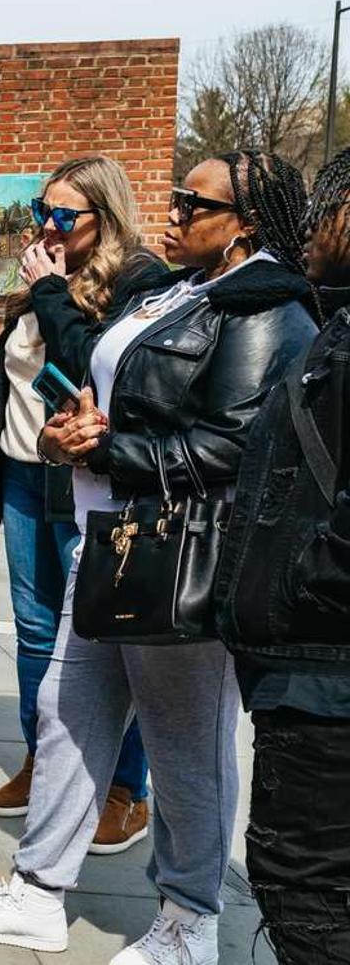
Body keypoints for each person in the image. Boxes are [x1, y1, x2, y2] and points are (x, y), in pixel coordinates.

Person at [0, 150, 317, 964]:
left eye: (192, 201)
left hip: (179, 554)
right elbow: (121, 387)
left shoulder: (266, 305)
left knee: (186, 741)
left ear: (245, 219)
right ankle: (37, 891)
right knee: (69, 712)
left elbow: (233, 442)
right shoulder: (185, 288)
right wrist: (91, 430)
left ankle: (189, 918)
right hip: (116, 536)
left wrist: (110, 448)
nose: (172, 212)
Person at [0, 157, 164, 846]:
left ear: (104, 218)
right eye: (41, 210)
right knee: (34, 629)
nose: (46, 226)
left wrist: (52, 290)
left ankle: (123, 787)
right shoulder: (35, 281)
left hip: (87, 482)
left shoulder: (135, 283)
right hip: (27, 471)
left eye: (63, 216)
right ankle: (43, 761)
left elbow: (90, 365)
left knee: (107, 634)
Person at [217, 144, 350, 964]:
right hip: (309, 664)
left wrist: (296, 588)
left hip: (324, 672)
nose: (312, 236)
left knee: (308, 892)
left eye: (328, 214)